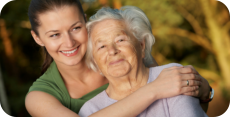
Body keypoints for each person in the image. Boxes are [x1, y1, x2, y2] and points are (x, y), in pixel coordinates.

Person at [25, 0, 212, 117]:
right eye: (54, 35)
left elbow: (178, 104)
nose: (69, 42)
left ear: (85, 22)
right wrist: (154, 90)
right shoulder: (39, 98)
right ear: (37, 38)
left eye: (75, 28)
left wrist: (205, 92)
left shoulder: (128, 57)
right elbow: (162, 87)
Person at [79, 6, 208, 117]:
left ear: (141, 45)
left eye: (120, 40)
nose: (112, 51)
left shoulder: (173, 76)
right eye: (101, 47)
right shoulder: (90, 109)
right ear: (95, 61)